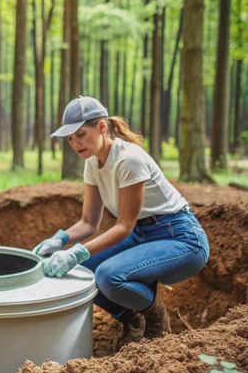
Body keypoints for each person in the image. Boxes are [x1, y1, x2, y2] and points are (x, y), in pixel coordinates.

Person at [33, 96, 210, 349]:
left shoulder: (129, 159)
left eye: (81, 134)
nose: (74, 143)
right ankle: (132, 319)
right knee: (83, 271)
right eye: (70, 138)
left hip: (180, 237)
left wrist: (75, 253)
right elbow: (88, 223)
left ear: (102, 127)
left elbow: (124, 226)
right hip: (142, 234)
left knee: (108, 275)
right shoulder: (92, 163)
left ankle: (157, 320)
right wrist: (59, 240)